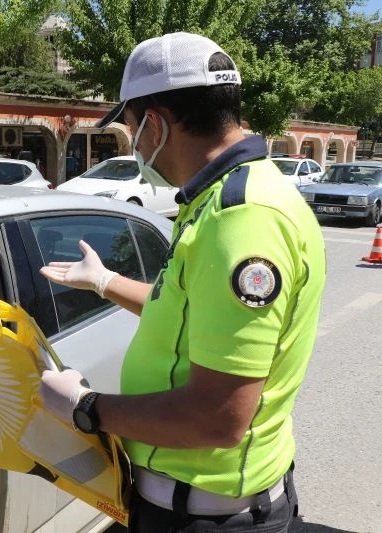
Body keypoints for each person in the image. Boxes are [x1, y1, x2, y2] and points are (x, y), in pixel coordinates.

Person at [38, 32, 325, 532]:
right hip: (195, 505)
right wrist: (106, 282)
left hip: (209, 516)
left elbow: (217, 418)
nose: (134, 145)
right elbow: (191, 315)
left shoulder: (242, 220)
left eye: (130, 129)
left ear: (155, 123)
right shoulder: (225, 197)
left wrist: (86, 408)